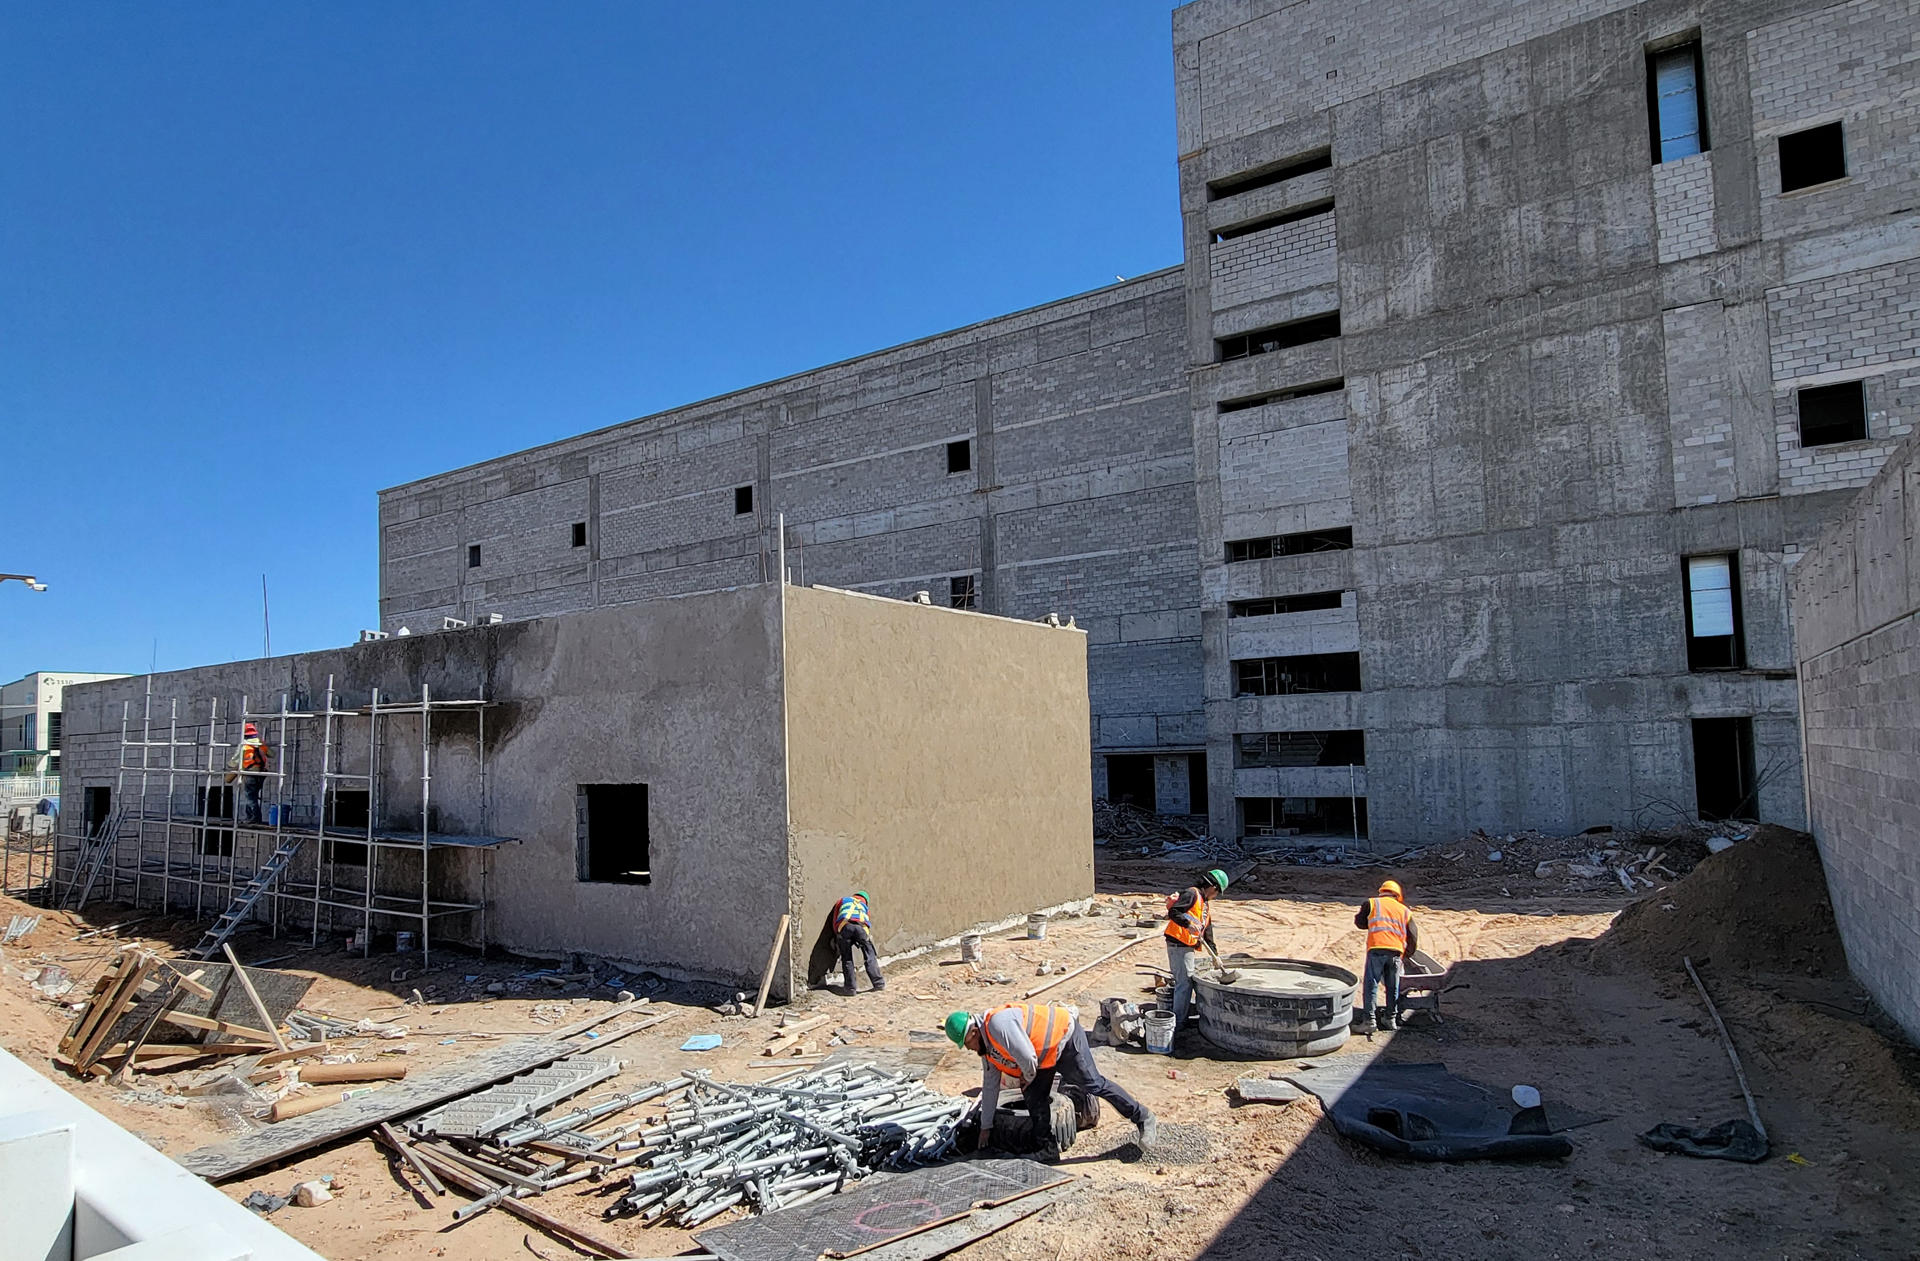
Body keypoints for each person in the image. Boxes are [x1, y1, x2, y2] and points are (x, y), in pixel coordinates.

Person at [945, 1003, 1156, 1152]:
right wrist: (986, 1126)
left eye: (967, 1045)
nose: (970, 1050)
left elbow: (1027, 1057)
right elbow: (990, 1086)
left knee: (1093, 1084)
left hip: (1064, 1037)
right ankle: (1046, 1148)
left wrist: (1028, 1077)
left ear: (973, 1033)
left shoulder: (997, 1025)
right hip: (1042, 1057)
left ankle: (1143, 1116)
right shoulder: (987, 1049)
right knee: (1034, 1096)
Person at [1164, 868, 1228, 1038]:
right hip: (1178, 943)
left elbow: (1208, 932)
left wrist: (1216, 956)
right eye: (1217, 892)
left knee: (1186, 982)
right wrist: (1186, 924)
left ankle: (1181, 1018)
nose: (1216, 896)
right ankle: (1177, 1024)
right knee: (1184, 984)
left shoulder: (1204, 905)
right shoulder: (1191, 894)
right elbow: (1174, 912)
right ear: (1213, 887)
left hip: (1187, 946)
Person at [1355, 879, 1417, 1031]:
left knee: (1371, 985)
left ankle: (1369, 1021)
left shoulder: (1371, 903)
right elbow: (1413, 935)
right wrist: (1407, 954)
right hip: (1396, 952)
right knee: (1393, 986)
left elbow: (1360, 923)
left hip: (1377, 948)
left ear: (1381, 892)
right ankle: (1390, 1019)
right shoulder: (1405, 911)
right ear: (1398, 895)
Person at [831, 890, 885, 993]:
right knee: (870, 956)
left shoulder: (843, 900)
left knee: (847, 958)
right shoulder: (863, 905)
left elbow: (835, 919)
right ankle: (878, 983)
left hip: (845, 926)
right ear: (865, 900)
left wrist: (837, 935)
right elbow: (866, 921)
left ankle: (850, 989)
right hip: (861, 928)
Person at [225, 722, 271, 825]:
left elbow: (233, 761)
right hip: (262, 773)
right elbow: (271, 754)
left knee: (250, 796)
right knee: (252, 795)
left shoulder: (244, 746)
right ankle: (250, 816)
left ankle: (254, 817)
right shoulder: (260, 743)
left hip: (250, 772)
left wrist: (230, 767)